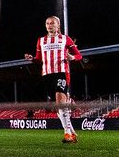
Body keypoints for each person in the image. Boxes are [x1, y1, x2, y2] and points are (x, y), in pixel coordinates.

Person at [24, 15, 82, 143]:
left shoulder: (65, 39)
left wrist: (71, 57)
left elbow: (79, 55)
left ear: (58, 25)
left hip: (61, 72)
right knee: (59, 106)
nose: (49, 25)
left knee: (60, 103)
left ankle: (67, 134)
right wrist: (32, 58)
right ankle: (72, 132)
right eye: (47, 23)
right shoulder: (41, 41)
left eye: (52, 23)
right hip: (47, 74)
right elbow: (39, 58)